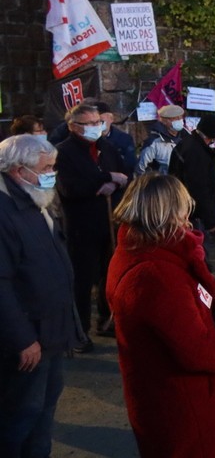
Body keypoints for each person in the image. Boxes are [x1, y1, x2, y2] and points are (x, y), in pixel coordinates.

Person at [106, 173, 215, 457]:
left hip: (166, 397)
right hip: (184, 405)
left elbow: (181, 298)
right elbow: (195, 351)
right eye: (183, 208)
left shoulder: (140, 250)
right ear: (167, 213)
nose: (188, 216)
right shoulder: (155, 274)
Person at [0, 135, 81, 458]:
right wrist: (22, 339)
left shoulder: (35, 199)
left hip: (51, 330)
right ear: (19, 171)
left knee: (42, 414)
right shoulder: (5, 211)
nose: (52, 174)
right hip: (29, 337)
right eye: (46, 168)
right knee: (21, 417)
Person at [55, 103, 130, 351]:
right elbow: (69, 189)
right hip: (81, 226)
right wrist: (106, 179)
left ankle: (106, 321)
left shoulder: (106, 147)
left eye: (97, 122)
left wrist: (116, 184)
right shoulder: (63, 153)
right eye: (88, 123)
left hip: (108, 223)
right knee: (82, 281)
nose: (95, 127)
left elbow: (124, 175)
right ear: (73, 126)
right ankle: (79, 330)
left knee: (109, 275)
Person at [168, 114, 215, 238]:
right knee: (198, 250)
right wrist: (210, 221)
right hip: (193, 215)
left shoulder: (186, 144)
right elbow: (200, 188)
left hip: (179, 208)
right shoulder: (198, 153)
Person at [136, 104, 186, 175]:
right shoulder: (154, 142)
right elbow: (141, 168)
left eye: (180, 117)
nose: (179, 120)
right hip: (164, 183)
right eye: (175, 118)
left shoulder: (187, 137)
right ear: (164, 121)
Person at [97, 101, 137, 176]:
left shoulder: (124, 139)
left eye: (101, 121)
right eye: (94, 122)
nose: (98, 124)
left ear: (111, 119)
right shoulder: (88, 139)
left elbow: (130, 164)